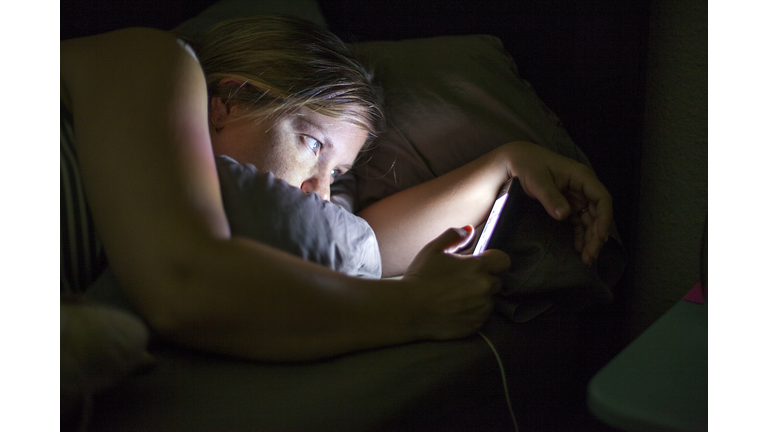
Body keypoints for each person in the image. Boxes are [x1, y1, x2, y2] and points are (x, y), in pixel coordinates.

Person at [60, 16, 612, 364]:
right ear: (226, 102)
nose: (318, 193)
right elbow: (183, 282)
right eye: (312, 144)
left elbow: (361, 245)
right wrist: (414, 307)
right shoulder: (153, 62)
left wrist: (506, 164)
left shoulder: (193, 200)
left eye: (339, 177)